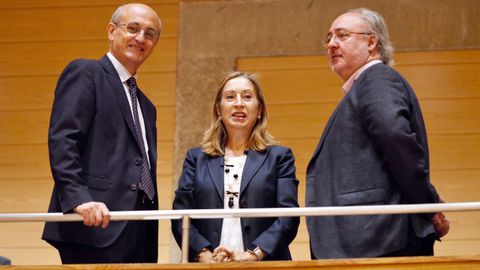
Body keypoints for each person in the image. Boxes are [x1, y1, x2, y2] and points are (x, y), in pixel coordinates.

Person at [306, 8, 450, 259]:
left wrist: (428, 204)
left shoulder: (377, 78)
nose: (331, 44)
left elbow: (396, 139)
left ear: (371, 42)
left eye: (342, 35)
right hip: (369, 239)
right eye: (328, 38)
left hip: (378, 239)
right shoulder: (365, 86)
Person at [41, 3, 162, 264]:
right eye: (133, 28)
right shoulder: (86, 72)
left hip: (139, 227)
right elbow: (64, 140)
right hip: (93, 219)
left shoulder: (147, 106)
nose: (141, 38)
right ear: (111, 30)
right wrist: (78, 199)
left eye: (150, 34)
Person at [172, 72, 300, 263]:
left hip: (265, 264)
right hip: (208, 266)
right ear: (218, 109)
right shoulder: (196, 158)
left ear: (259, 110)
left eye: (247, 97)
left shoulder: (279, 157)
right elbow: (180, 217)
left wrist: (252, 255)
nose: (238, 103)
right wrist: (204, 254)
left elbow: (288, 217)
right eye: (230, 97)